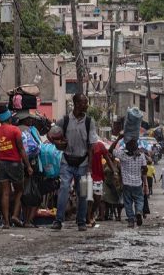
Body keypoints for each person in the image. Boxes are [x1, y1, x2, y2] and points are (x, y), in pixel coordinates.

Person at [50, 94, 98, 231]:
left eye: (86, 103)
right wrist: (57, 143)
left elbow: (91, 146)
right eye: (84, 103)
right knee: (64, 188)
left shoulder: (89, 121)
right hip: (67, 161)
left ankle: (81, 221)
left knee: (83, 193)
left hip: (82, 163)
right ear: (76, 103)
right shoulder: (64, 120)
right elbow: (51, 134)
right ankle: (58, 220)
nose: (86, 105)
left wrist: (89, 166)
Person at [0, 105, 32, 229]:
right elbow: (21, 150)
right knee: (19, 190)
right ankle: (15, 215)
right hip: (15, 164)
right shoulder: (15, 130)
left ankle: (6, 223)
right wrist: (28, 166)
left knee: (5, 194)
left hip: (1, 164)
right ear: (9, 118)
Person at [109, 134, 147, 228]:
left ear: (126, 146)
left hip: (126, 184)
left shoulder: (122, 155)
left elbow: (110, 150)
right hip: (138, 183)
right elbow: (145, 169)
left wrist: (118, 138)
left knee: (128, 202)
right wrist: (145, 182)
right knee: (139, 200)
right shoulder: (141, 156)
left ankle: (131, 220)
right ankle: (138, 211)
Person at [15, 110, 41, 228]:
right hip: (29, 164)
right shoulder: (31, 130)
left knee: (21, 193)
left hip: (16, 164)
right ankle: (28, 221)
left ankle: (21, 218)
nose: (31, 120)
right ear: (24, 119)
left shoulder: (14, 129)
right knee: (31, 194)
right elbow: (37, 146)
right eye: (29, 118)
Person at [87, 140, 114, 226]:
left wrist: (114, 170)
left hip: (98, 176)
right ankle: (88, 218)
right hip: (85, 174)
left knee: (97, 198)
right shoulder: (83, 145)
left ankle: (91, 214)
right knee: (88, 198)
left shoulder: (100, 145)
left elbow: (107, 158)